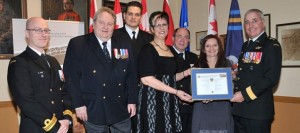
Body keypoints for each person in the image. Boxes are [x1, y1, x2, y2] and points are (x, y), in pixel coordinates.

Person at [63, 7, 137, 133]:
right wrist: (78, 104)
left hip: (121, 106)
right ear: (94, 23)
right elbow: (71, 78)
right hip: (93, 108)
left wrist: (132, 100)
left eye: (110, 24)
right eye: (101, 23)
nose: (105, 27)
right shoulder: (78, 44)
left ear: (114, 26)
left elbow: (131, 74)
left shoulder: (124, 43)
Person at [7, 17, 72, 133]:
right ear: (27, 33)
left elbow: (64, 92)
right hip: (37, 128)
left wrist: (67, 119)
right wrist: (54, 126)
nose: (43, 34)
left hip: (62, 127)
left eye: (46, 30)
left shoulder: (53, 61)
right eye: (38, 30)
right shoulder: (19, 63)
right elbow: (26, 101)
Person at [136, 11, 192, 133]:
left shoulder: (171, 49)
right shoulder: (147, 49)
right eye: (158, 25)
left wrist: (187, 72)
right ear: (152, 29)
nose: (162, 28)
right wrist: (176, 92)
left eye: (164, 24)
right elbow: (146, 79)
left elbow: (169, 78)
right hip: (153, 100)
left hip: (169, 100)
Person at [230, 9, 282, 133]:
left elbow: (270, 78)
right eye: (247, 22)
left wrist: (244, 95)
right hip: (239, 110)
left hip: (257, 112)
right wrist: (234, 75)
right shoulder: (245, 45)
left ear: (263, 23)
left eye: (254, 21)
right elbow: (249, 72)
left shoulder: (271, 44)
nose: (250, 25)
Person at [112, 1, 153, 132]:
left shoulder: (150, 38)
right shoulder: (113, 35)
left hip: (145, 91)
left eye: (137, 14)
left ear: (141, 17)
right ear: (124, 15)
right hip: (120, 92)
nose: (133, 17)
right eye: (130, 14)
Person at [192, 34, 234, 133]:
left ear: (219, 47)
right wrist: (201, 97)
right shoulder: (197, 66)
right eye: (207, 46)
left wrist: (233, 79)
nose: (211, 48)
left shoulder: (227, 64)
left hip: (222, 109)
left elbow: (232, 88)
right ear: (203, 49)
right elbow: (192, 88)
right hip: (202, 110)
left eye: (215, 45)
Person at [169, 27, 198, 133]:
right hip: (172, 105)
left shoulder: (194, 57)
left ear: (189, 41)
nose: (182, 40)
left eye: (186, 37)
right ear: (173, 38)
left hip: (191, 106)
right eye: (179, 36)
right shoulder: (166, 55)